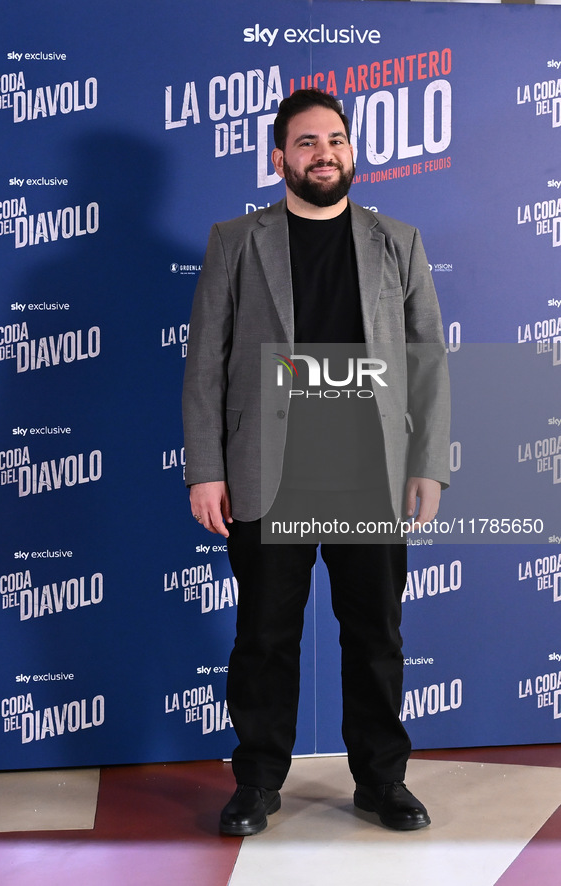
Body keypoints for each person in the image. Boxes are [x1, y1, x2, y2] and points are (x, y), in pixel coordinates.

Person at [182, 89, 450, 836]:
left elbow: (427, 361)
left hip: (369, 470)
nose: (322, 154)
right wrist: (205, 468)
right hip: (268, 471)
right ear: (278, 157)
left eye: (334, 140)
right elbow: (206, 362)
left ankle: (381, 780)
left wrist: (426, 460)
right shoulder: (235, 240)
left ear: (351, 152)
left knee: (375, 635)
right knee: (264, 637)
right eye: (305, 143)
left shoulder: (396, 239)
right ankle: (258, 782)